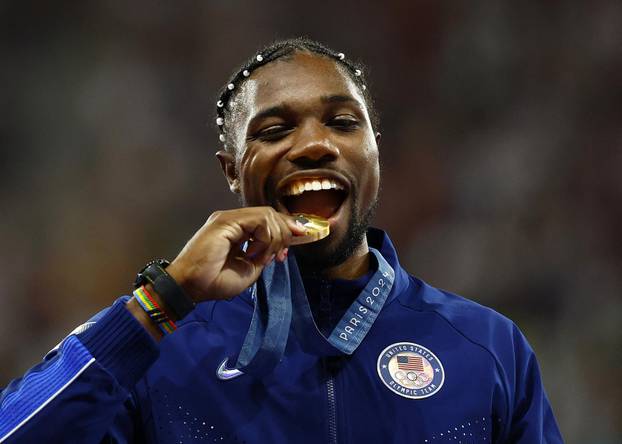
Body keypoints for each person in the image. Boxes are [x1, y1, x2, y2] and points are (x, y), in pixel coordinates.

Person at [0, 38, 563, 444]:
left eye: (344, 122)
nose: (315, 144)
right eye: (274, 131)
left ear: (374, 151)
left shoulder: (488, 347)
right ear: (230, 170)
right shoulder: (158, 345)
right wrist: (160, 303)